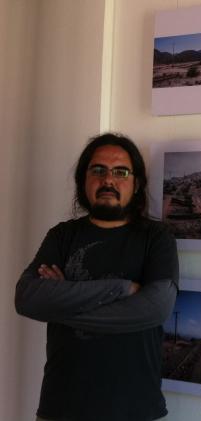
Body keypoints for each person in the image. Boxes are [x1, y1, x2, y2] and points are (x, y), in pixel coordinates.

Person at [15, 133, 178, 421]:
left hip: (135, 410)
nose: (108, 180)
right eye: (98, 170)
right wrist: (122, 287)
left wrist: (62, 301)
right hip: (60, 409)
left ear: (136, 183)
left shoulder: (156, 237)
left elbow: (156, 308)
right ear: (83, 180)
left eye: (120, 171)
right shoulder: (62, 236)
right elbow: (27, 298)